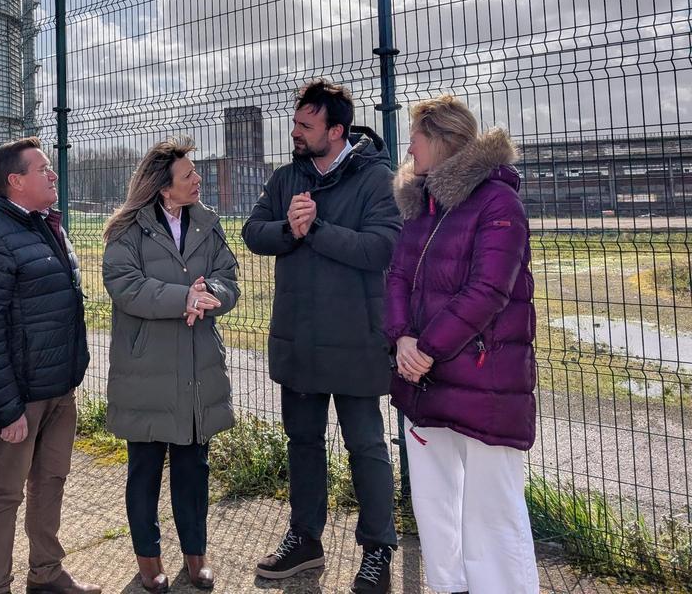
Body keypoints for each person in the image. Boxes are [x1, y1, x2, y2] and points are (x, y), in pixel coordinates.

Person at [242, 80, 402, 594]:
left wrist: (318, 231)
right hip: (299, 338)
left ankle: (378, 549)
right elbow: (252, 232)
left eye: (305, 126)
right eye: (295, 123)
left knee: (366, 446)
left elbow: (383, 248)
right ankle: (305, 540)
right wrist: (288, 229)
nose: (294, 132)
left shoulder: (377, 178)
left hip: (356, 339)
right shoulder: (287, 177)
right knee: (303, 444)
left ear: (336, 131)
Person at [385, 96, 539, 593]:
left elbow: (489, 290)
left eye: (415, 137)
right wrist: (402, 340)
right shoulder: (420, 205)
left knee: (491, 512)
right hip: (425, 380)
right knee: (434, 507)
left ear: (440, 139)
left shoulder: (498, 202)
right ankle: (448, 586)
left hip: (484, 381)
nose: (408, 147)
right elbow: (397, 277)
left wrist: (425, 347)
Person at [101, 137, 240, 593]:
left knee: (192, 469)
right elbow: (125, 285)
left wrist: (212, 294)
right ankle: (148, 561)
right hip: (147, 368)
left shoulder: (208, 224)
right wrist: (185, 296)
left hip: (196, 369)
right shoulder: (127, 230)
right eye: (188, 176)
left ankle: (195, 556)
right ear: (164, 188)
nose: (198, 180)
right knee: (144, 469)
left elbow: (228, 276)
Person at [0, 138, 99, 594]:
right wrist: (6, 409)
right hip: (20, 398)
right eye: (43, 170)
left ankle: (46, 575)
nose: (53, 175)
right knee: (5, 494)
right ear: (15, 181)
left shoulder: (47, 226)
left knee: (51, 482)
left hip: (59, 389)